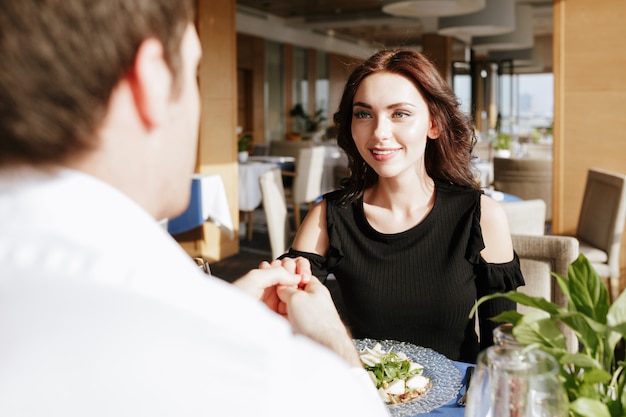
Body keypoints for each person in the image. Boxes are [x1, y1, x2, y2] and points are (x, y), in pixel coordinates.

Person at [0, 1, 389, 416]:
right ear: (150, 80)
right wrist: (335, 347)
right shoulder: (257, 373)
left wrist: (224, 309)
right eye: (194, 76)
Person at [279, 49, 525, 363]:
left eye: (400, 114)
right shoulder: (329, 217)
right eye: (364, 114)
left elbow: (503, 347)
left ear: (434, 124)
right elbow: (286, 321)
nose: (380, 133)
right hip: (366, 400)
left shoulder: (480, 216)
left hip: (456, 406)